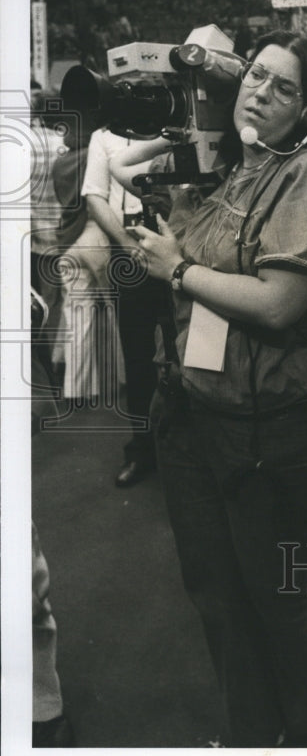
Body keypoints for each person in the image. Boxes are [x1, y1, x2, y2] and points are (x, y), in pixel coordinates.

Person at [121, 31, 307, 748]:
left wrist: (178, 270)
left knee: (277, 592)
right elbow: (126, 173)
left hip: (271, 424)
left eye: (284, 88)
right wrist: (197, 115)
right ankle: (254, 736)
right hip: (196, 409)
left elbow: (280, 303)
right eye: (255, 75)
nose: (261, 93)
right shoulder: (225, 168)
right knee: (216, 591)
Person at [81, 124, 162, 486]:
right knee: (138, 353)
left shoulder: (174, 123)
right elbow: (95, 196)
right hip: (126, 250)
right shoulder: (104, 135)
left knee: (188, 349)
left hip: (177, 242)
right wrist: (126, 246)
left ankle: (190, 449)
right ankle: (143, 449)